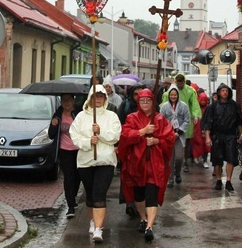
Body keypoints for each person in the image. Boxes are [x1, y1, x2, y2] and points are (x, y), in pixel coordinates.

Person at [119, 89, 175, 242]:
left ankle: (150, 226)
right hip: (136, 163)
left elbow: (169, 138)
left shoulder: (160, 119)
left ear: (153, 102)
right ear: (138, 102)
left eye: (148, 101)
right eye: (142, 101)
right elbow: (125, 136)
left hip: (154, 164)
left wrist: (157, 141)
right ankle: (143, 218)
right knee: (139, 194)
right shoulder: (131, 118)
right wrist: (142, 132)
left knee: (152, 195)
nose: (145, 103)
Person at [69, 85, 121, 243]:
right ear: (90, 98)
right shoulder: (81, 117)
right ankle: (93, 220)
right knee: (90, 195)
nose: (98, 99)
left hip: (105, 160)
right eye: (95, 96)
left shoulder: (111, 116)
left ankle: (98, 229)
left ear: (105, 98)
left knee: (99, 194)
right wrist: (88, 141)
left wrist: (101, 132)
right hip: (86, 161)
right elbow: (74, 135)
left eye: (101, 97)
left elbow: (115, 135)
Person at [203, 83, 242, 191]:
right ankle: (219, 180)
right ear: (219, 92)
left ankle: (229, 180)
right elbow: (208, 123)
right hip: (217, 135)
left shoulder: (234, 106)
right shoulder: (213, 106)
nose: (225, 92)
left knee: (230, 158)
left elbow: (239, 122)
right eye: (223, 90)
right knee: (217, 159)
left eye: (226, 90)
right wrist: (207, 137)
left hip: (230, 135)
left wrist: (241, 134)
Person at [48, 93, 81, 218]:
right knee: (68, 177)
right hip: (64, 150)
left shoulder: (79, 114)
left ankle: (73, 197)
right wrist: (53, 124)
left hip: (78, 150)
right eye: (64, 100)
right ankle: (70, 206)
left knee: (78, 176)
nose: (66, 103)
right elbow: (51, 135)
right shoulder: (58, 115)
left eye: (69, 100)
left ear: (73, 101)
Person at [162, 73, 201, 173]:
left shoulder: (190, 91)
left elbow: (194, 104)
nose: (179, 85)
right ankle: (173, 163)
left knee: (186, 142)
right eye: (178, 83)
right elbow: (164, 105)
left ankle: (185, 162)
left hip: (185, 120)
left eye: (181, 83)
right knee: (171, 142)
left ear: (184, 81)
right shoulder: (170, 91)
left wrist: (196, 115)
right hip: (171, 121)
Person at [117, 83, 145, 217]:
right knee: (127, 175)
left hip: (143, 149)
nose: (138, 97)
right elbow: (119, 126)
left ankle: (141, 202)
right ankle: (129, 202)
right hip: (128, 147)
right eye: (135, 94)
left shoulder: (149, 108)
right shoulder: (125, 106)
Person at [159, 85, 190, 187]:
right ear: (169, 95)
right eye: (171, 95)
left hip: (179, 135)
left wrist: (179, 131)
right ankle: (170, 178)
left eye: (175, 94)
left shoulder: (184, 106)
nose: (173, 96)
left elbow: (187, 120)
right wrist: (167, 131)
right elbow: (161, 120)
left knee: (179, 157)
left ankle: (178, 172)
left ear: (178, 95)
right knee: (169, 159)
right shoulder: (164, 107)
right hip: (168, 135)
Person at [192, 92, 210, 168]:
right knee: (197, 143)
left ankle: (205, 160)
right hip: (197, 128)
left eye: (204, 100)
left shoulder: (208, 108)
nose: (203, 102)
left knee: (206, 145)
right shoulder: (196, 108)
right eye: (201, 100)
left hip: (205, 128)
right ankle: (197, 156)